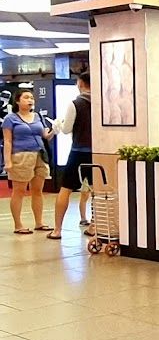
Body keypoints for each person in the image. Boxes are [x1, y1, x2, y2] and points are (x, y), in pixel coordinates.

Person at [2, 88, 56, 234]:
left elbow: (46, 136)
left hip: (39, 155)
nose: (30, 100)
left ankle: (39, 222)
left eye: (32, 97)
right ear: (18, 101)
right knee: (19, 191)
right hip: (21, 156)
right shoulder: (10, 119)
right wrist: (8, 161)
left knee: (37, 190)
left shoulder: (38, 116)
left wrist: (55, 129)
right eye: (26, 97)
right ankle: (18, 225)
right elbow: (7, 141)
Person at [49, 72, 93, 240]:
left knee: (65, 189)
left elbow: (67, 129)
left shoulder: (75, 103)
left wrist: (58, 125)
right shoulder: (103, 103)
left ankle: (58, 230)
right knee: (97, 191)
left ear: (80, 83)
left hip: (78, 152)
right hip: (97, 153)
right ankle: (95, 227)